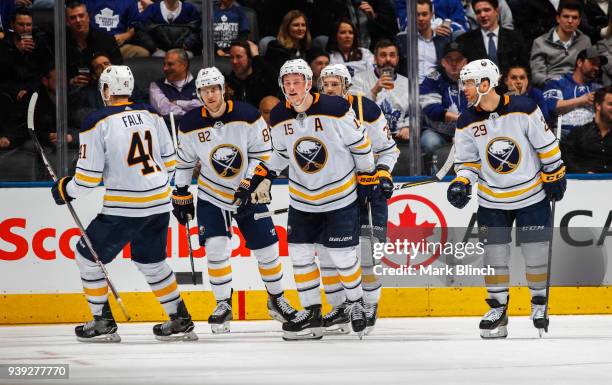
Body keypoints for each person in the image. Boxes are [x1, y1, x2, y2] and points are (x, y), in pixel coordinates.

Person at [50, 65, 197, 342]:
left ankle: (102, 323)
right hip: (158, 203)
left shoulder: (96, 121)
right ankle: (180, 320)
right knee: (151, 261)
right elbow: (170, 162)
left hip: (124, 209)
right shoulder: (152, 114)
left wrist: (64, 189)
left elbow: (88, 179)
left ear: (106, 90)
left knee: (86, 256)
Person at [240, 59, 377, 340]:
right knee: (301, 257)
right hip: (302, 200)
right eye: (287, 83)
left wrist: (367, 178)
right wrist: (259, 176)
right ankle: (312, 313)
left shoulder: (335, 108)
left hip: (339, 197)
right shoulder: (279, 115)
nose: (292, 87)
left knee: (341, 256)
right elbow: (279, 153)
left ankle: (355, 303)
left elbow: (361, 144)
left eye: (297, 82)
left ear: (308, 83)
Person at [172, 67, 298, 334]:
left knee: (268, 249)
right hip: (212, 194)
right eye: (205, 90)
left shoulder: (248, 115)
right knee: (216, 248)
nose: (211, 94)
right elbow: (183, 163)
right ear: (199, 93)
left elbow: (264, 154)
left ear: (223, 89)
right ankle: (223, 304)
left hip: (249, 193)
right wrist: (181, 192)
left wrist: (249, 181)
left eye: (215, 88)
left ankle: (277, 299)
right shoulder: (189, 124)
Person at [447, 59, 566, 338]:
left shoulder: (523, 107)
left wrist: (556, 173)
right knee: (494, 256)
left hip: (531, 195)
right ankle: (498, 311)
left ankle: (538, 304)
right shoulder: (466, 120)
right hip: (492, 200)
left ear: (485, 84)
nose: (463, 88)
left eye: (468, 82)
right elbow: (467, 162)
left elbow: (547, 146)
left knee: (535, 253)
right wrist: (462, 181)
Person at [317, 63, 398, 335]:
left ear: (346, 86)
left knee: (366, 253)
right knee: (329, 254)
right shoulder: (313, 110)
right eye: (325, 84)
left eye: (335, 84)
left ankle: (371, 303)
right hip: (332, 194)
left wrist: (384, 173)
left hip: (367, 192)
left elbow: (389, 149)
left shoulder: (367, 109)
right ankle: (341, 307)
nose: (329, 89)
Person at [351, 39, 410, 141]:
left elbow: (415, 112)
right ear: (375, 59)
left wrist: (408, 126)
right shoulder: (358, 79)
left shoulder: (407, 83)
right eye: (383, 55)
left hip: (399, 136)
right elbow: (353, 109)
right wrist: (374, 91)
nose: (388, 59)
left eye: (392, 55)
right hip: (369, 136)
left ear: (397, 59)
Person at [419, 42, 468, 156]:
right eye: (450, 59)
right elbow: (431, 109)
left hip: (467, 131)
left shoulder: (473, 79)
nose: (454, 63)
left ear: (465, 62)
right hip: (438, 132)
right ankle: (434, 173)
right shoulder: (433, 79)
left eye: (458, 59)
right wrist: (459, 118)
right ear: (443, 62)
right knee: (430, 142)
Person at [543, 47, 606, 134]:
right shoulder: (558, 82)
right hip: (563, 133)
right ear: (580, 62)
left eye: (598, 65)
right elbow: (551, 107)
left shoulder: (599, 89)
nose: (596, 68)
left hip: (591, 136)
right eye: (593, 63)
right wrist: (581, 100)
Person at [456, 0, 528, 75]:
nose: (482, 15)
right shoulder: (465, 41)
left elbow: (525, 70)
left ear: (497, 11)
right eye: (478, 12)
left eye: (486, 10)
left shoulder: (515, 38)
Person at [529, 1, 592, 88]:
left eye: (574, 18)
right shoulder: (540, 42)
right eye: (566, 16)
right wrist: (557, 83)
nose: (570, 21)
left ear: (579, 21)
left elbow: (589, 70)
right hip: (551, 86)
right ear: (558, 18)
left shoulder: (585, 41)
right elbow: (537, 75)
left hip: (578, 86)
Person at [65, 0, 123, 89]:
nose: (78, 20)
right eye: (73, 18)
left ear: (88, 17)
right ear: (67, 21)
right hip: (69, 93)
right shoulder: (61, 42)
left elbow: (119, 70)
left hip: (102, 90)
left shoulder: (107, 40)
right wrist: (70, 81)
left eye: (81, 16)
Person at [561, 86, 612, 173]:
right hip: (584, 183)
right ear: (598, 105)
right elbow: (567, 160)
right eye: (610, 104)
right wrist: (584, 173)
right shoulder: (578, 133)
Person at [85, 0, 152, 58]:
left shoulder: (129, 2)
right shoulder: (88, 2)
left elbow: (135, 25)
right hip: (93, 45)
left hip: (118, 46)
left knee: (142, 53)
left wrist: (126, 35)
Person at [149, 49, 201, 121]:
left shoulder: (200, 83)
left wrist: (178, 103)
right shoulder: (156, 86)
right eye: (164, 64)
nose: (165, 68)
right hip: (171, 130)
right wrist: (194, 113)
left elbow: (207, 105)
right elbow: (165, 109)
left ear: (184, 65)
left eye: (170, 64)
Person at [226, 40, 279, 108]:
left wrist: (256, 57)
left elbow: (279, 82)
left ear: (250, 58)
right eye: (231, 57)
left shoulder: (262, 80)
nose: (234, 61)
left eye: (239, 57)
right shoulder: (227, 83)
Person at [264, 10, 312, 76]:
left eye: (303, 25)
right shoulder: (276, 48)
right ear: (287, 27)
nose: (300, 28)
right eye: (296, 25)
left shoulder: (308, 49)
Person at [415, 0, 446, 84]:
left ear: (432, 15)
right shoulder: (404, 40)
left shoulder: (443, 42)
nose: (420, 18)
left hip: (435, 89)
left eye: (424, 14)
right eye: (417, 15)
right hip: (409, 89)